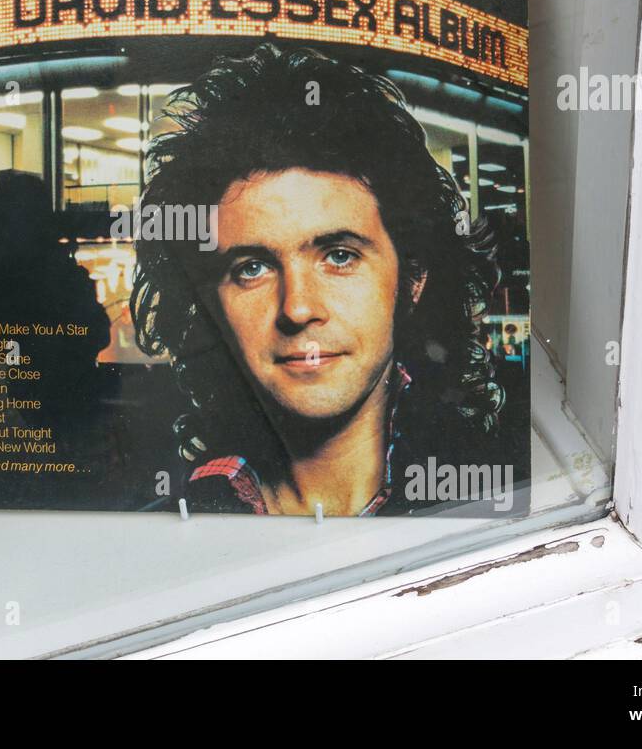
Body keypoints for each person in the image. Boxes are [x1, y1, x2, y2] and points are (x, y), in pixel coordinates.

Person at [130, 43, 506, 516]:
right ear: (210, 305)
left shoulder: (498, 506)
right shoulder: (162, 536)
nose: (298, 308)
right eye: (252, 268)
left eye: (340, 256)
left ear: (411, 279)